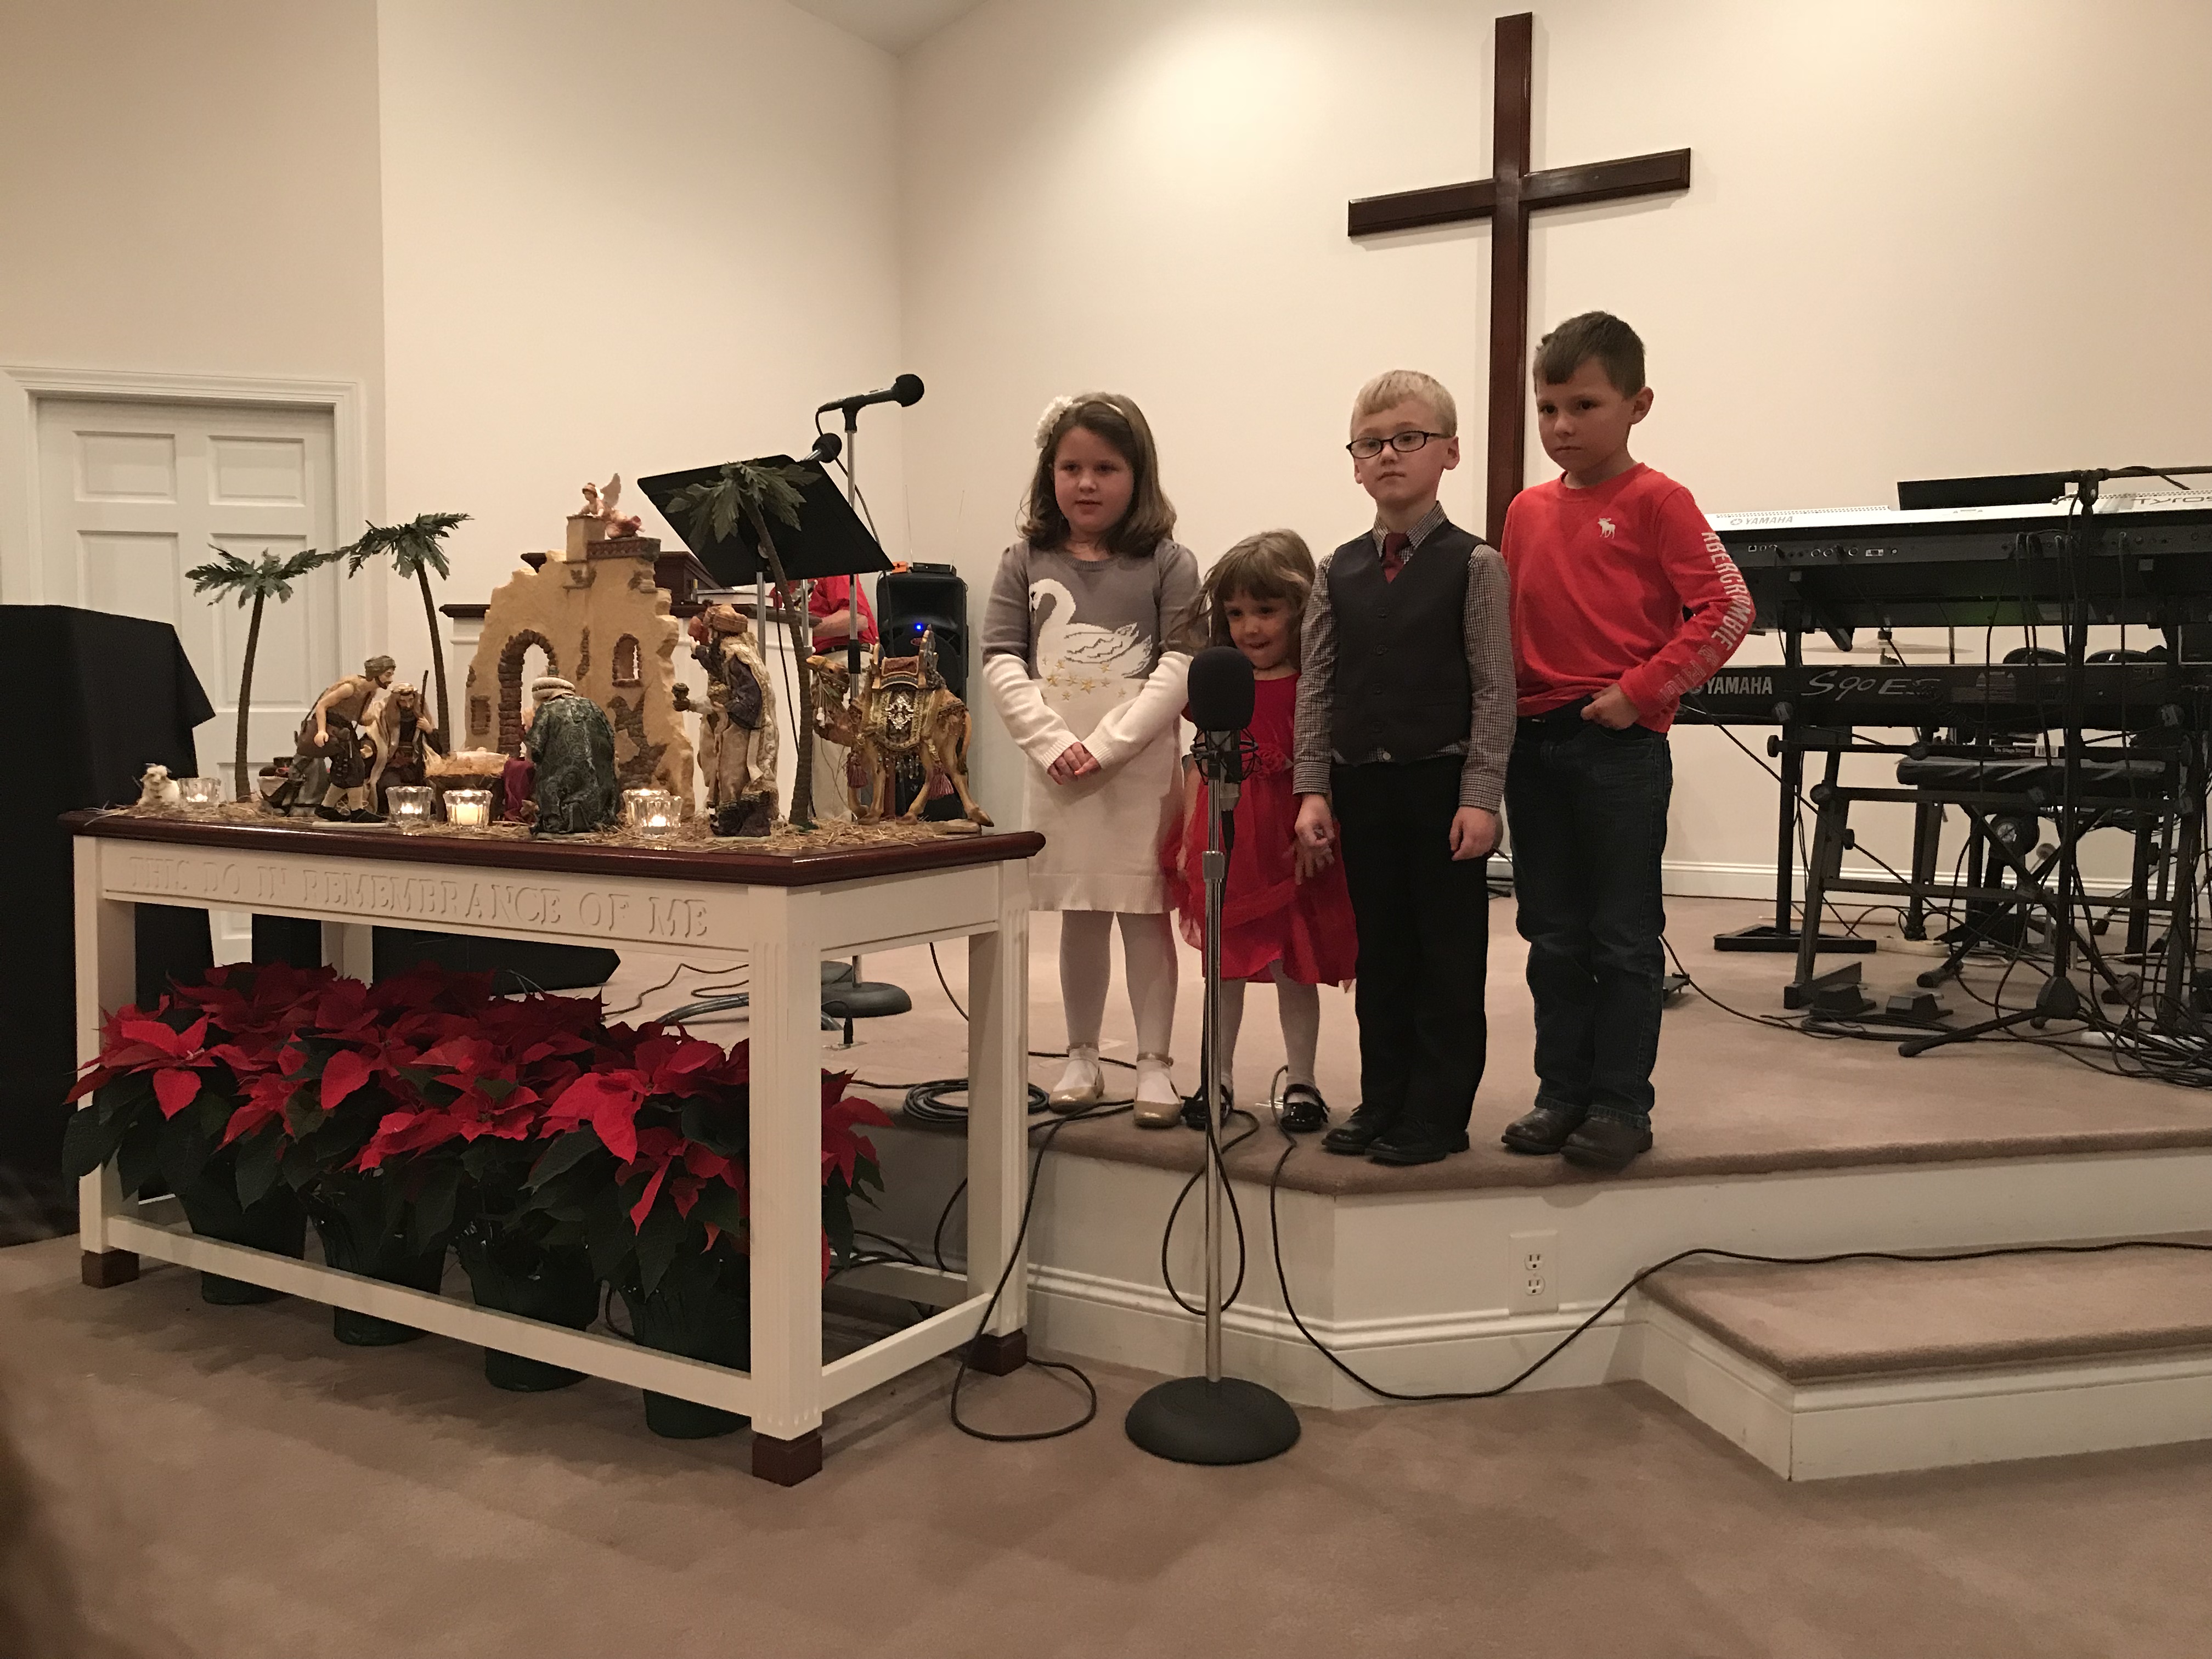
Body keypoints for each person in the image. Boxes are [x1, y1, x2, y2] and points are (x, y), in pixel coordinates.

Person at [1499, 312, 1751, 1170]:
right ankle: (1561, 1093)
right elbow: (1508, 627)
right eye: (1548, 408)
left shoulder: (1659, 501)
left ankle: (1619, 1105)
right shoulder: (1526, 511)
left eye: (1584, 406)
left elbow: (1730, 607)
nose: (1562, 426)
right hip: (1533, 745)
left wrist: (1641, 692)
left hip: (1616, 748)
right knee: (1553, 935)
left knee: (1622, 936)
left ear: (1638, 404)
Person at [1292, 370, 1514, 1166]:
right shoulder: (1336, 569)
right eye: (1371, 443)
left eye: (1409, 439)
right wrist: (1312, 788)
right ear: (1354, 463)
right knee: (1380, 954)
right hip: (1361, 785)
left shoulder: (1475, 564)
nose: (1389, 454)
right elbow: (1317, 686)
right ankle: (1383, 1096)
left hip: (1440, 786)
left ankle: (1437, 1111)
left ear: (1449, 452)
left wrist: (1481, 795)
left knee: (1446, 956)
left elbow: (1495, 688)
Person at [983, 392, 1202, 1125]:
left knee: (1144, 914)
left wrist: (1108, 746)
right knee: (1079, 913)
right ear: (1050, 473)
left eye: (1106, 468)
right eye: (1071, 467)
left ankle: (1154, 1063)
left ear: (1138, 475)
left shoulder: (1169, 562)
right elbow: (1002, 660)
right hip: (1058, 772)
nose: (1086, 483)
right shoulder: (1024, 560)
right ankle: (1081, 1054)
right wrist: (1052, 742)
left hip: (1137, 772)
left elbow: (1179, 666)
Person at [1164, 531, 1356, 1134]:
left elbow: (1326, 768)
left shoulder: (1314, 687)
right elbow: (1200, 764)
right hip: (1228, 841)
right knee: (1223, 967)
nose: (1250, 628)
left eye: (1266, 611)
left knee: (1294, 968)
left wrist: (1322, 831)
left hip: (1289, 845)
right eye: (1236, 613)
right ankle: (1216, 1079)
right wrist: (1186, 840)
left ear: (1300, 609)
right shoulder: (1220, 686)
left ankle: (1303, 1081)